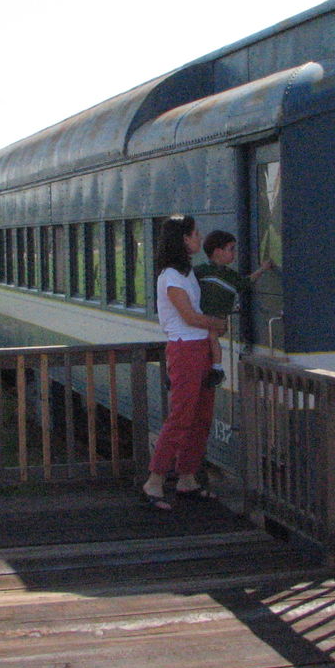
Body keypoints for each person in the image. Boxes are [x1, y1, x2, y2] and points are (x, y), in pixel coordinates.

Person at [141, 215, 227, 510]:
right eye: (194, 234)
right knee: (180, 416)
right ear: (182, 239)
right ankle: (154, 481)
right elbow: (188, 317)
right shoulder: (170, 277)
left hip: (200, 346)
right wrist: (216, 323)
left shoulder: (187, 273)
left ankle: (186, 478)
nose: (199, 238)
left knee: (202, 416)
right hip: (184, 350)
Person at [195, 230, 274, 387]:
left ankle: (217, 369)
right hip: (203, 318)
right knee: (209, 339)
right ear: (218, 252)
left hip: (217, 319)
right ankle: (214, 369)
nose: (234, 254)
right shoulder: (201, 271)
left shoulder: (230, 275)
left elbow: (244, 283)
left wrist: (263, 269)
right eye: (231, 249)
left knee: (212, 337)